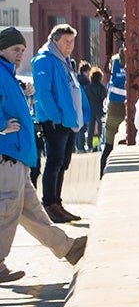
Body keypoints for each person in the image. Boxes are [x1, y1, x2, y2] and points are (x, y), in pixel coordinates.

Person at [0, 26, 84, 277]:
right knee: (7, 211)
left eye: (22, 50)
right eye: (15, 49)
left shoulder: (8, 74)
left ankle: (67, 248)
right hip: (8, 155)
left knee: (32, 212)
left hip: (17, 156)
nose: (20, 55)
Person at [31, 23, 85, 224]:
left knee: (62, 163)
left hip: (68, 121)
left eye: (72, 41)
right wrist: (56, 117)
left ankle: (57, 203)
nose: (70, 45)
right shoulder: (45, 60)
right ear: (55, 40)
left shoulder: (65, 60)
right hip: (56, 122)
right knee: (54, 163)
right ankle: (49, 204)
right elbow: (43, 92)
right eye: (66, 41)